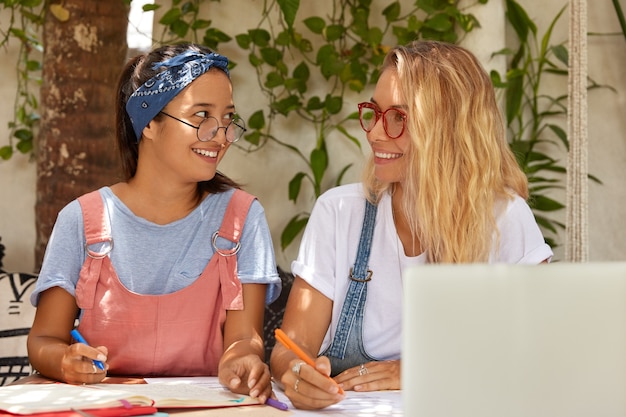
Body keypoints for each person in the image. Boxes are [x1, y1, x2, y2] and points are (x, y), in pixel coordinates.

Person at [269, 40, 553, 410]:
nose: (374, 133)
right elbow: (290, 349)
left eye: (399, 117)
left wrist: (424, 369)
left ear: (451, 128)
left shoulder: (504, 220)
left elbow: (542, 357)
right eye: (374, 111)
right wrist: (296, 375)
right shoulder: (338, 212)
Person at [27, 43, 280, 403]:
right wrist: (64, 360)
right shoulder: (81, 220)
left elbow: (244, 340)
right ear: (148, 122)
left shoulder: (243, 218)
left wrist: (242, 362)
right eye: (201, 116)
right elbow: (43, 340)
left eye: (227, 119)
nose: (221, 135)